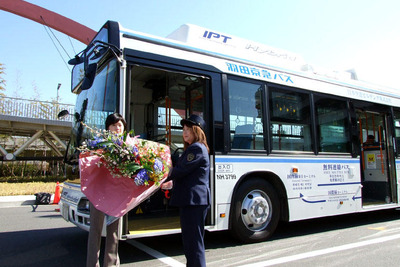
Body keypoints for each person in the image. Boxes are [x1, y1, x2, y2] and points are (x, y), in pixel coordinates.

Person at [164, 114, 210, 267]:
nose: (184, 132)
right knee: (191, 243)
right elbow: (187, 175)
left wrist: (161, 172)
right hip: (192, 201)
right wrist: (171, 182)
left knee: (193, 244)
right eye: (183, 129)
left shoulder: (196, 148)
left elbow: (180, 171)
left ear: (197, 131)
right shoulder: (194, 149)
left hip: (193, 202)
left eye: (188, 129)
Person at [86, 113, 127, 267]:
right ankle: (92, 264)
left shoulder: (127, 147)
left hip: (116, 196)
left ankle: (110, 264)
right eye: (114, 125)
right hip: (98, 194)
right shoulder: (98, 145)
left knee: (114, 232)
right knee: (95, 231)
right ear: (108, 128)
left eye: (120, 125)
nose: (118, 128)